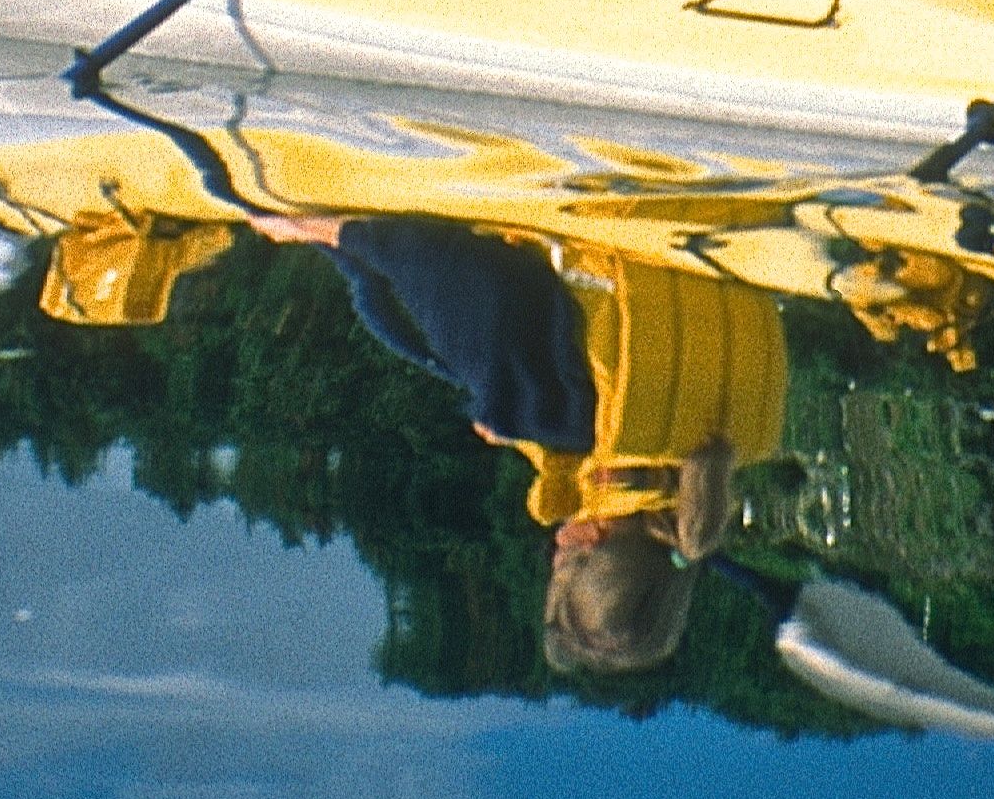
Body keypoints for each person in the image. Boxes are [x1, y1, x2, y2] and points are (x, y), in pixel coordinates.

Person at [253, 208, 785, 677]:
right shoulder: (541, 411)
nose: (551, 543)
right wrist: (311, 229)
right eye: (556, 563)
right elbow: (430, 259)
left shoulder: (731, 444)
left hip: (713, 219)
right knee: (394, 325)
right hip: (613, 204)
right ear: (587, 541)